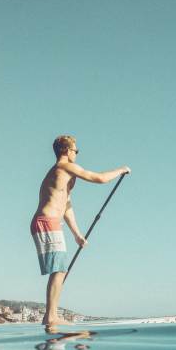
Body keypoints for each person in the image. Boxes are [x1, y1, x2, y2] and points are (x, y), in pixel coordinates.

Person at [32, 135, 129, 327]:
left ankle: (50, 315)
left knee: (60, 269)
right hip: (47, 221)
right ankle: (51, 316)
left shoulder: (62, 174)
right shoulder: (64, 167)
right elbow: (99, 178)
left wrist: (77, 234)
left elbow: (66, 206)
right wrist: (121, 170)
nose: (76, 153)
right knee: (59, 270)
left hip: (48, 221)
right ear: (66, 151)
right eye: (76, 150)